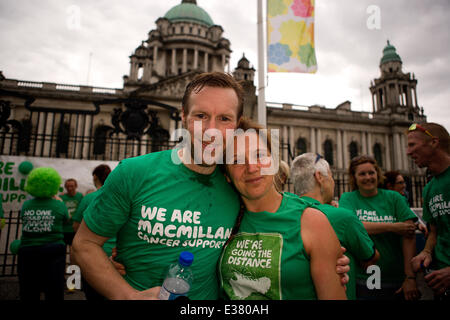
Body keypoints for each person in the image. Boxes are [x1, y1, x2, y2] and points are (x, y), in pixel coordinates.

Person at [73, 72, 349, 300]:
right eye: (201, 116)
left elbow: (282, 217)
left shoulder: (237, 182)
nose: (212, 130)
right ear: (183, 116)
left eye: (224, 119)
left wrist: (325, 254)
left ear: (236, 124)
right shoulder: (133, 172)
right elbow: (84, 244)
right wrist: (127, 296)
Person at [219, 120, 347, 300]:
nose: (252, 168)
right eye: (237, 160)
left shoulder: (312, 221)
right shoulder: (220, 220)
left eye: (260, 155)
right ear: (227, 175)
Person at [290, 153, 380, 300]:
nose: (333, 182)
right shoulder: (343, 217)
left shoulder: (285, 214)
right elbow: (370, 257)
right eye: (331, 176)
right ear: (319, 177)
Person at [339, 155, 420, 300]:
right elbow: (352, 228)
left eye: (371, 172)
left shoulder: (394, 198)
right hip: (364, 278)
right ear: (354, 177)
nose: (368, 177)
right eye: (362, 174)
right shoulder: (348, 198)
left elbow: (409, 232)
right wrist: (393, 227)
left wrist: (410, 278)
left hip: (397, 277)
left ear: (378, 173)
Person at [407, 122, 450, 300]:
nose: (408, 152)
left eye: (412, 145)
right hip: (440, 281)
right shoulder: (429, 188)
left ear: (433, 142)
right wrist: (426, 251)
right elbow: (434, 232)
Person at [17, 167, 69, 300]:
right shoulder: (59, 205)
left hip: (28, 249)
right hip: (54, 248)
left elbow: (23, 219)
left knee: (28, 289)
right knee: (54, 290)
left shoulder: (26, 205)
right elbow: (66, 220)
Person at [72, 164, 113, 300]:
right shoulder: (118, 198)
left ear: (95, 177)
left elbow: (76, 226)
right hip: (116, 256)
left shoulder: (89, 198)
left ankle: (73, 285)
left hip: (92, 256)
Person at [61, 178, 83, 248]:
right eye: (67, 186)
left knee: (74, 250)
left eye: (72, 186)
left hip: (75, 229)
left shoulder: (80, 196)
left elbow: (82, 210)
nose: (69, 188)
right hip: (63, 229)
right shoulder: (61, 197)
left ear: (76, 186)